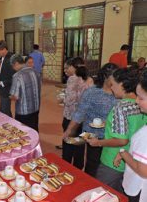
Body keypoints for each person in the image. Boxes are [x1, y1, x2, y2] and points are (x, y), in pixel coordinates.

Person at [87, 68, 147, 192]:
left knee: (102, 192)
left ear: (121, 84)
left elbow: (121, 140)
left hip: (112, 160)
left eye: (112, 85)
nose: (112, 88)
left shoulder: (120, 107)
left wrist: (98, 142)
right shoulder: (139, 105)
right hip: (133, 159)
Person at [63, 63, 118, 177]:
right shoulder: (92, 92)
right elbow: (80, 113)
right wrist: (69, 130)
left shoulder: (120, 92)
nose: (119, 79)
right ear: (106, 77)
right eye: (115, 76)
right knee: (92, 164)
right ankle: (90, 183)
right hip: (91, 134)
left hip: (112, 135)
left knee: (108, 165)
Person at [114, 71, 147, 202]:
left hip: (140, 189)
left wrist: (123, 154)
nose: (136, 101)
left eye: (141, 98)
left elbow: (143, 170)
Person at [62, 57, 93, 169]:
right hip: (84, 118)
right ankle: (78, 168)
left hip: (71, 117)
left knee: (68, 144)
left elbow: (69, 100)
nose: (66, 70)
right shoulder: (89, 79)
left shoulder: (73, 79)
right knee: (80, 144)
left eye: (67, 67)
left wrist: (63, 98)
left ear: (73, 67)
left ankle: (66, 167)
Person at [9, 54, 41, 132]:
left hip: (24, 111)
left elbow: (15, 96)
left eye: (13, 66)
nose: (13, 69)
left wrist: (10, 97)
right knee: (34, 129)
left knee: (24, 133)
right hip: (36, 108)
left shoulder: (17, 76)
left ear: (16, 63)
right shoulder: (35, 72)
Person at [0, 40, 15, 117]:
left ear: (4, 49)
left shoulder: (11, 59)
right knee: (3, 110)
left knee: (5, 111)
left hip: (7, 89)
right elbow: (3, 72)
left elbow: (14, 78)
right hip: (2, 89)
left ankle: (11, 126)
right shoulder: (2, 58)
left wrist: (0, 82)